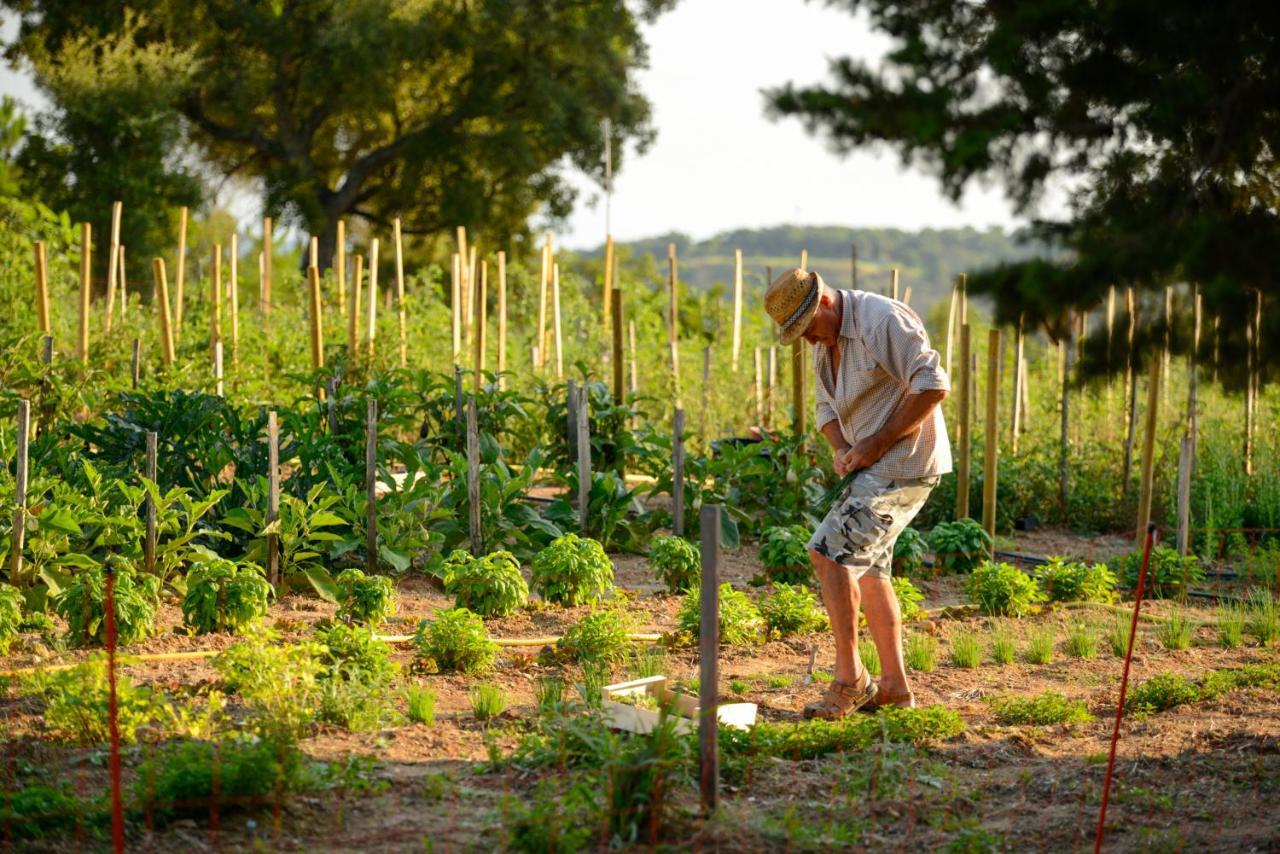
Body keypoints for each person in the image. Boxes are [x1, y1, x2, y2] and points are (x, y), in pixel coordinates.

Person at [765, 268, 951, 720]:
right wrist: (843, 448)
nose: (809, 341)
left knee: (828, 555)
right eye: (800, 336)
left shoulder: (880, 321)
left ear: (824, 303)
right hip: (870, 465)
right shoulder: (824, 342)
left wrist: (876, 442)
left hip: (903, 463)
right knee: (869, 571)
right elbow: (826, 409)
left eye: (808, 329)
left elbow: (934, 384)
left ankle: (850, 681)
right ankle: (895, 689)